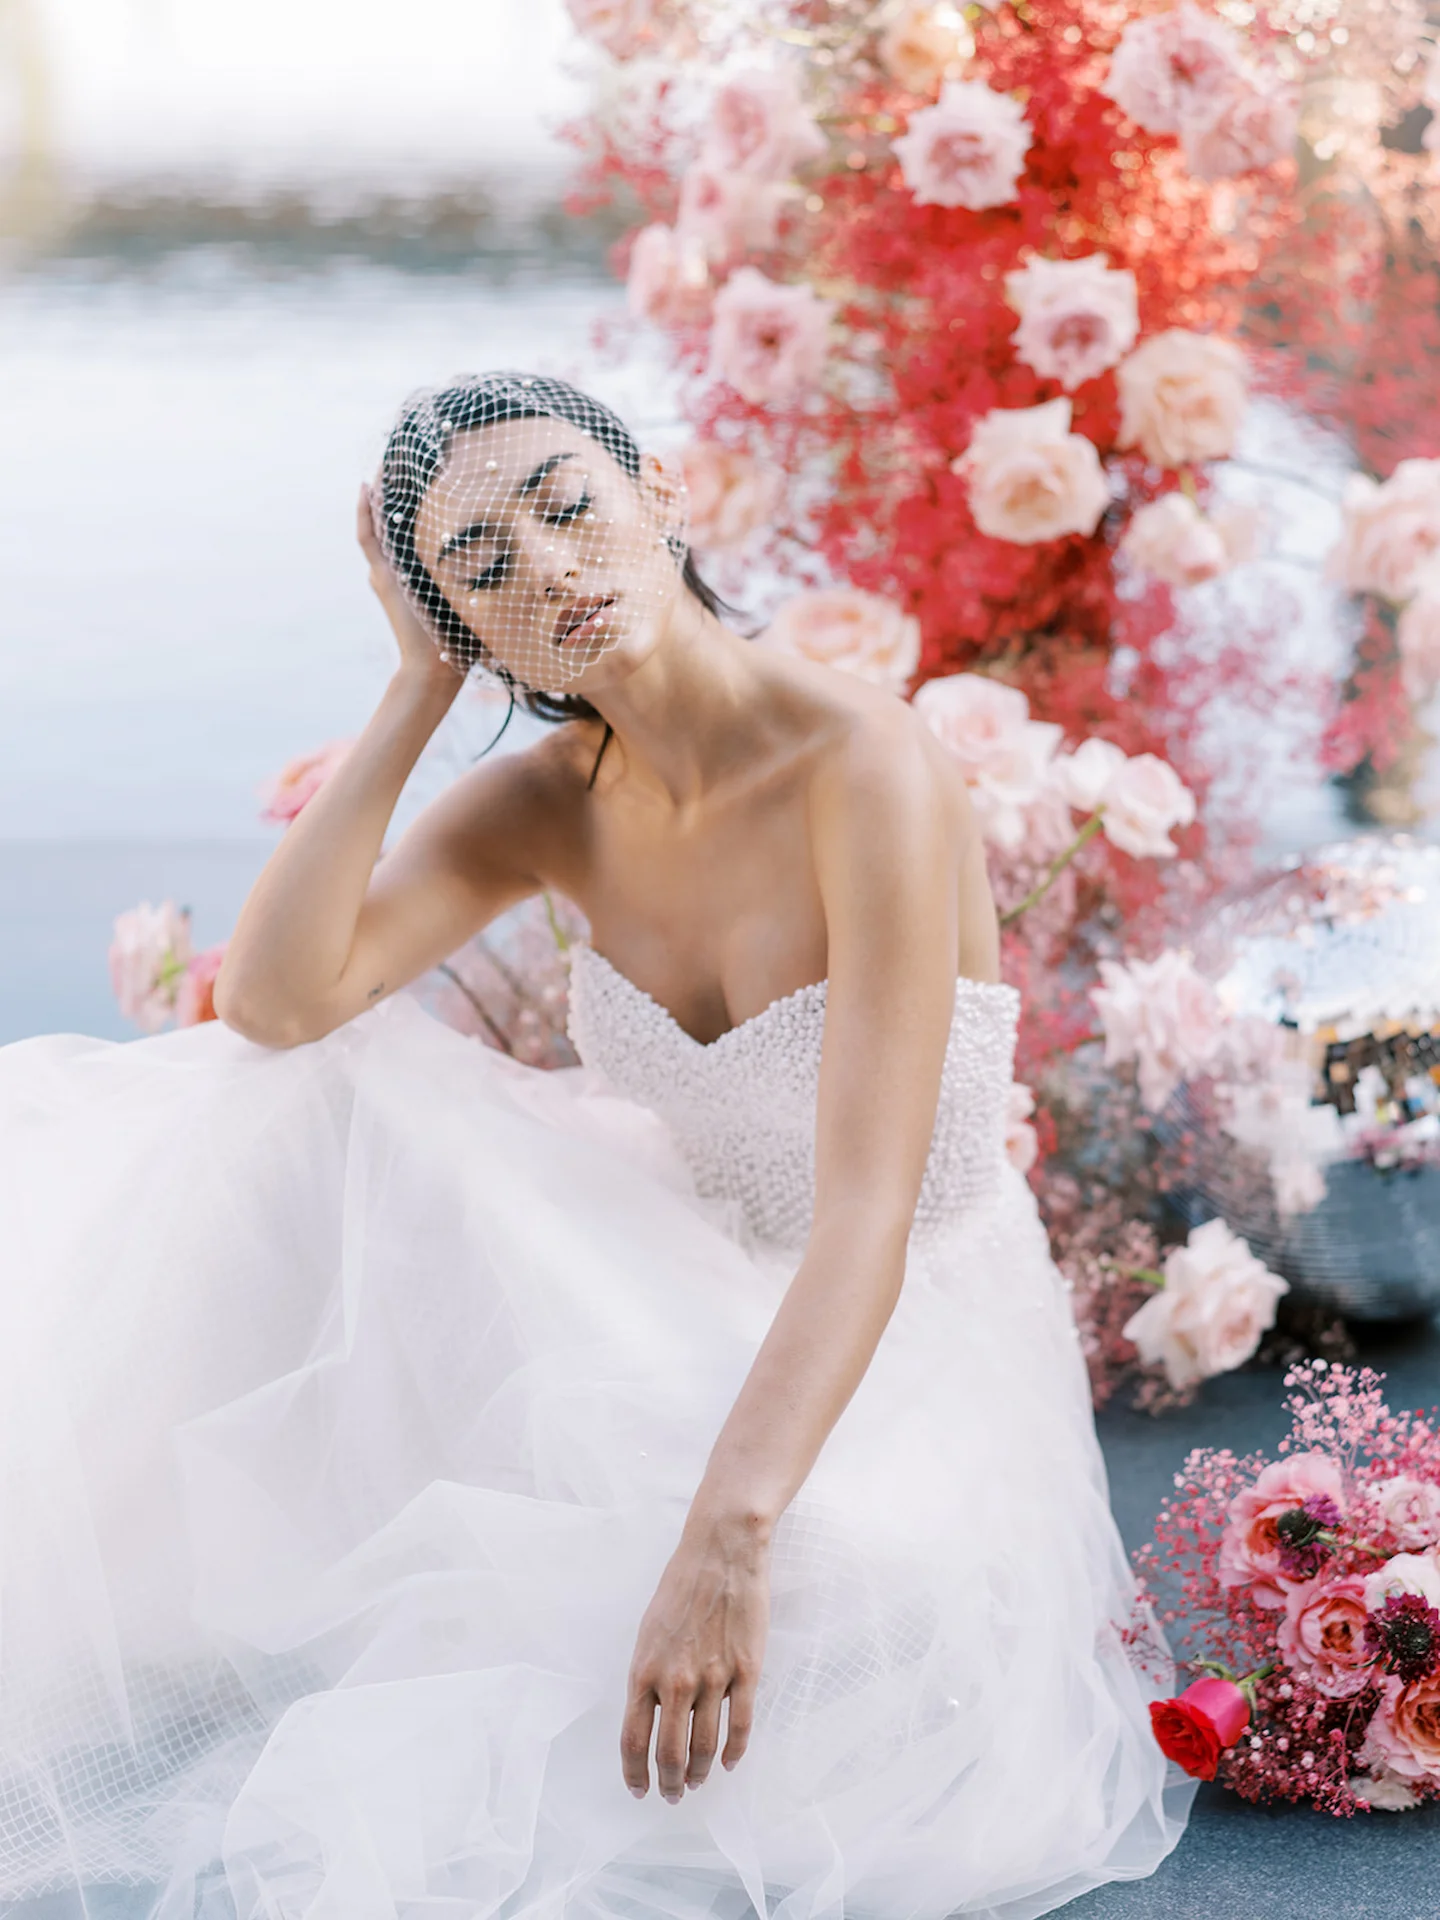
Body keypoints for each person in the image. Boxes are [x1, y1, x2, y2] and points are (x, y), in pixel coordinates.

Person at [0, 372, 1192, 1920]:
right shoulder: (547, 803)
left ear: (658, 496)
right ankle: (124, 1540)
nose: (547, 570)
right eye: (483, 566)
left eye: (565, 508)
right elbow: (281, 1005)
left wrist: (728, 1536)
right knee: (312, 1094)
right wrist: (414, 690)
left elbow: (868, 1215)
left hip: (892, 1315)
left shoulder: (862, 760)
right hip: (670, 1258)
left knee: (813, 1614)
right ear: (465, 626)